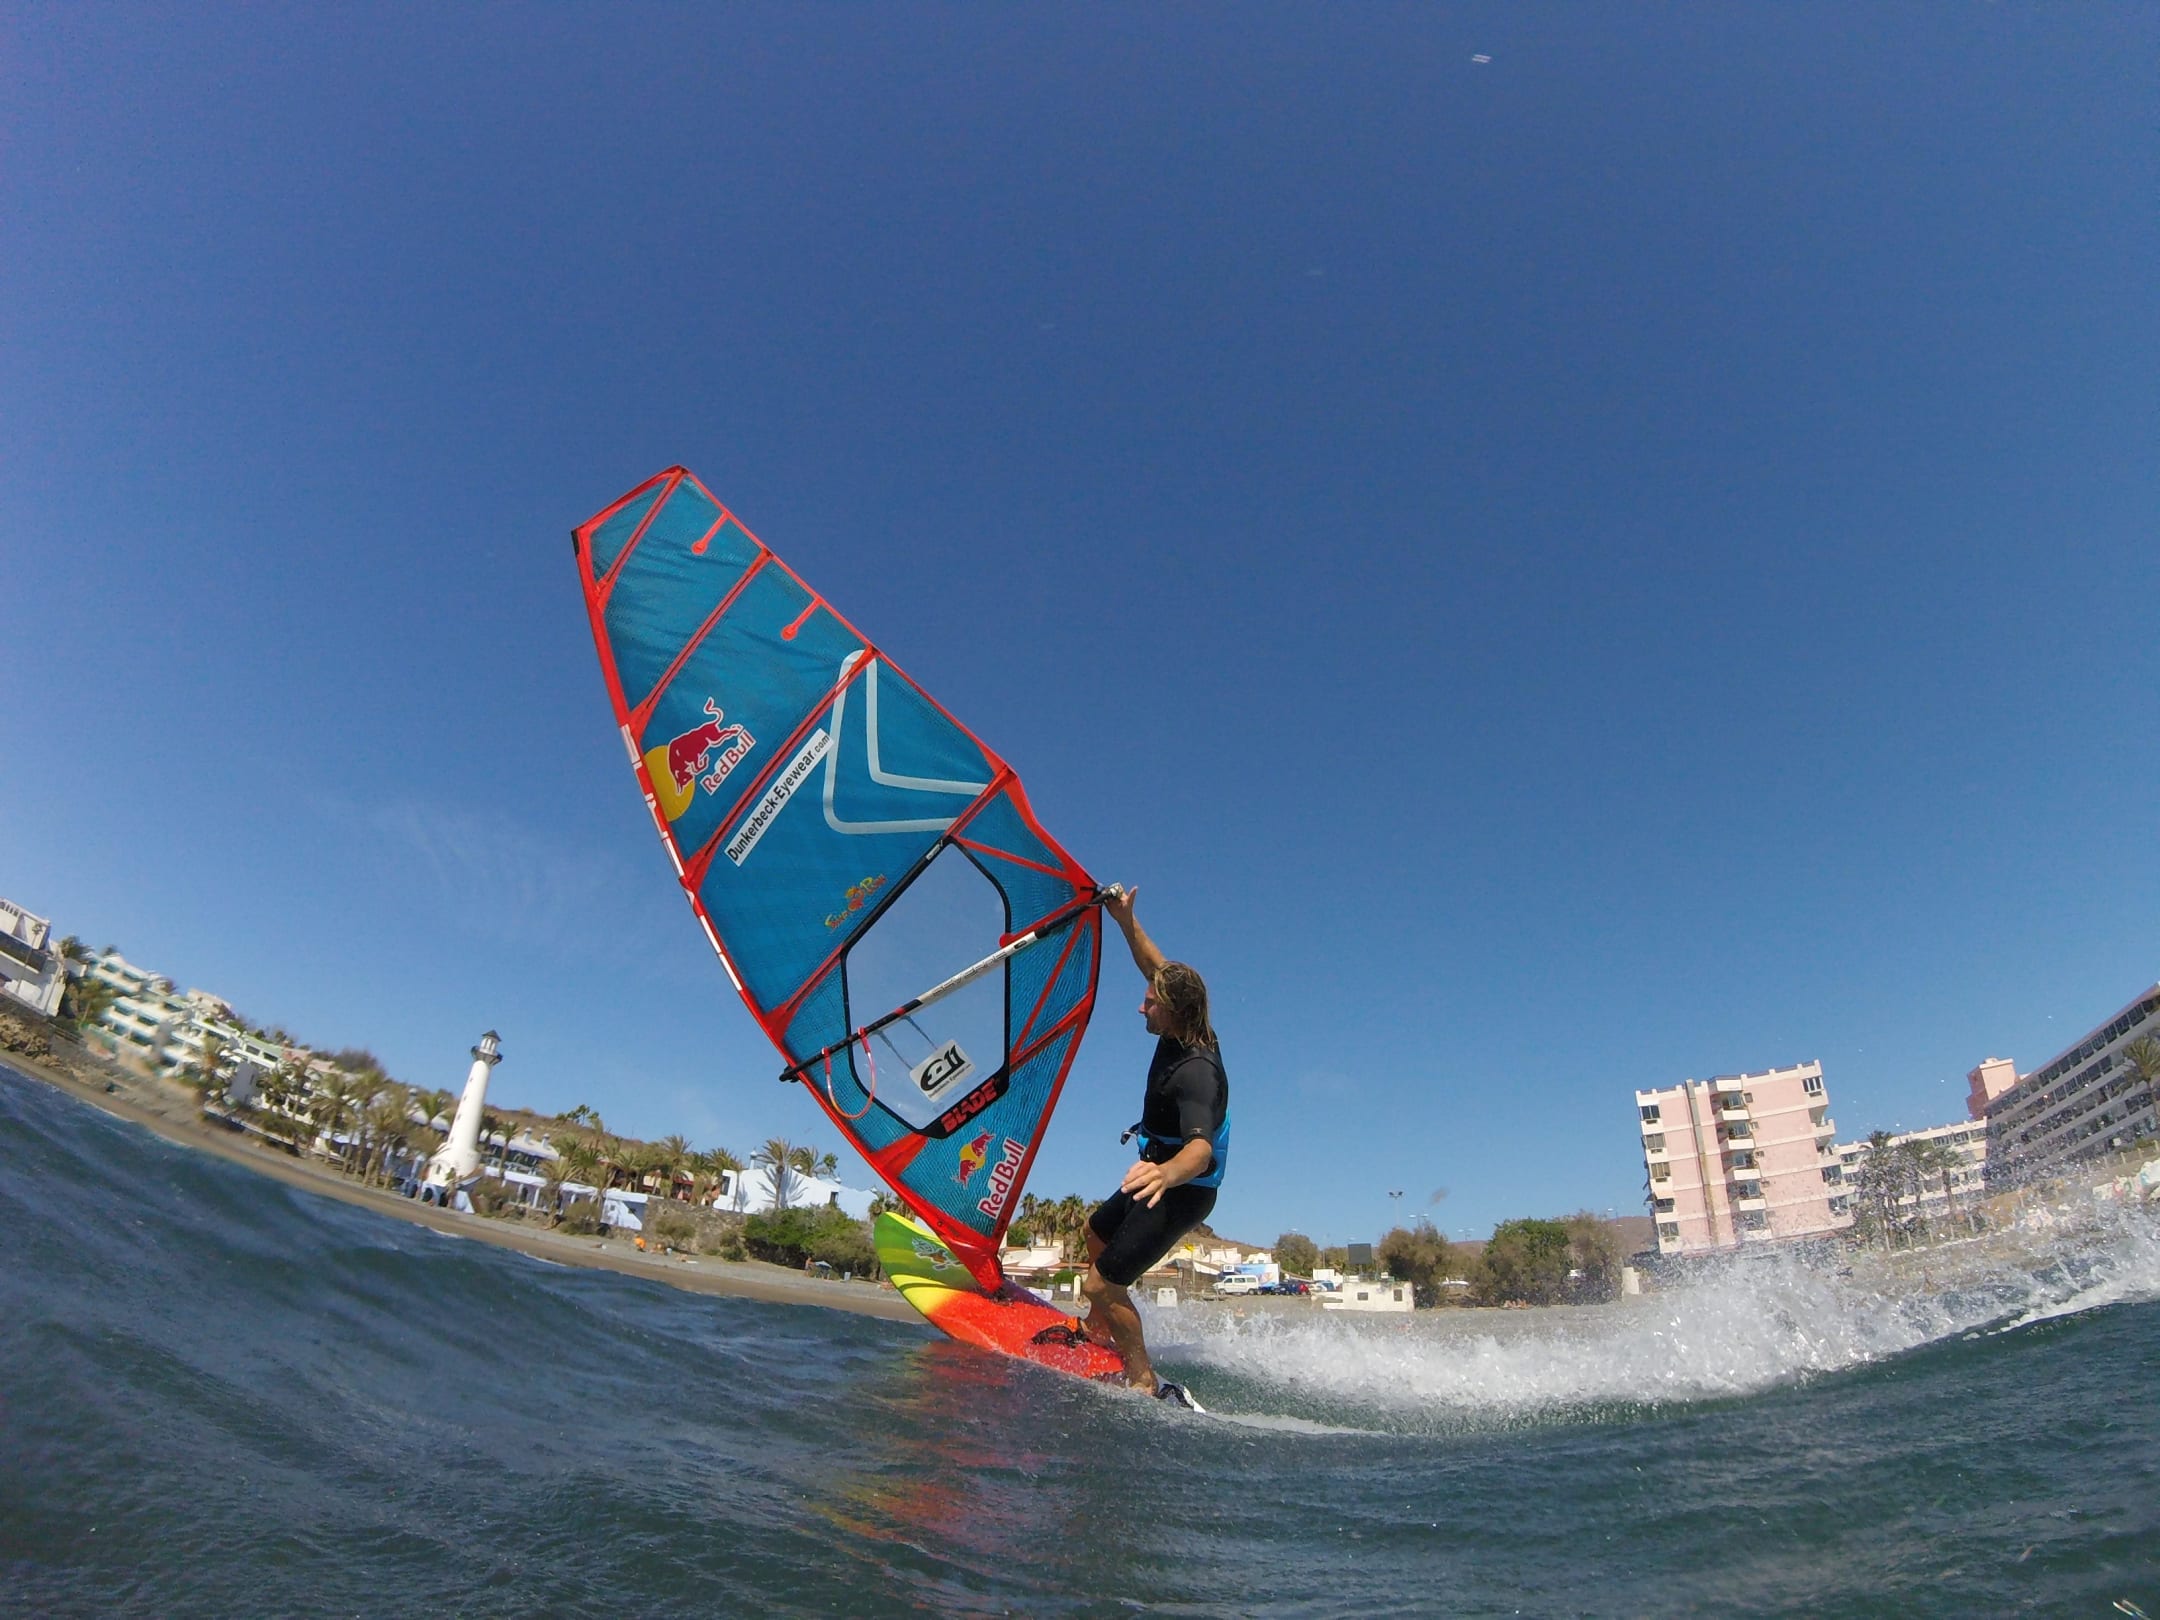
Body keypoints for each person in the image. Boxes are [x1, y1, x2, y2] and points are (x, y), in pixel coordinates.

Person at [1078, 883, 1228, 1409]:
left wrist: (1164, 1175)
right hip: (1157, 1171)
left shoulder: (1197, 1072)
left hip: (1184, 1187)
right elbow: (1153, 966)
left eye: (1150, 1004)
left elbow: (1200, 1153)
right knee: (1095, 1234)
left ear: (1174, 1012)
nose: (1141, 1007)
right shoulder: (1178, 1027)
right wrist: (1125, 920)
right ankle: (1100, 1330)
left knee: (1101, 1285)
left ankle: (1143, 1379)